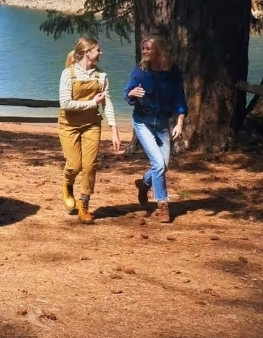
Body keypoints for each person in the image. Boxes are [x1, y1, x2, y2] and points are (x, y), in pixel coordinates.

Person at [124, 35, 188, 223]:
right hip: (142, 122)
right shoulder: (140, 71)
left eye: (148, 48)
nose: (144, 51)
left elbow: (179, 98)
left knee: (164, 165)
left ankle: (144, 184)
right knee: (159, 165)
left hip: (161, 124)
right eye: (143, 48)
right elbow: (128, 92)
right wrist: (132, 94)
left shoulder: (172, 72)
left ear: (159, 50)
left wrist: (179, 122)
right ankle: (163, 205)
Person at [57, 37, 121, 224]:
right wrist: (92, 102)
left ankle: (84, 205)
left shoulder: (101, 76)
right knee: (75, 165)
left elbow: (107, 104)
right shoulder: (67, 74)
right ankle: (68, 185)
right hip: (68, 125)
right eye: (98, 50)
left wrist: (114, 130)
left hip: (92, 124)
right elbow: (66, 104)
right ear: (87, 52)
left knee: (90, 165)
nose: (101, 53)